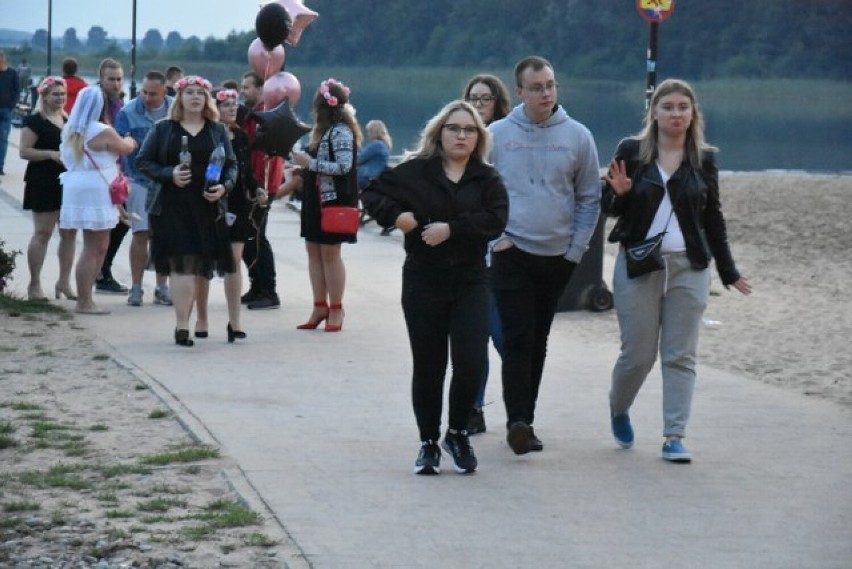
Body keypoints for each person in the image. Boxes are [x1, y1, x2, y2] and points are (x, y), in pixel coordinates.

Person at [602, 79, 752, 463]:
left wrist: (728, 270)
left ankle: (673, 436)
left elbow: (712, 218)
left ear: (693, 113)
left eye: (683, 107)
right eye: (667, 106)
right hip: (639, 263)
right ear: (654, 112)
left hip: (690, 266)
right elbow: (610, 208)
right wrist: (619, 193)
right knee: (638, 354)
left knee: (680, 354)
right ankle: (619, 408)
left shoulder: (704, 158)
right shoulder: (631, 151)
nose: (675, 113)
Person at [362, 100, 508, 475]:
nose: (461, 135)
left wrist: (452, 229)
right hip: (423, 280)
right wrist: (397, 216)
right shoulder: (414, 172)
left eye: (469, 130)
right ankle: (428, 442)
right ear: (438, 134)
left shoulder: (487, 178)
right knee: (429, 365)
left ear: (479, 137)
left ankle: (457, 432)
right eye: (454, 128)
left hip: (470, 281)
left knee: (470, 361)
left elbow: (496, 219)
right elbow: (371, 191)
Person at [488, 56, 601, 455]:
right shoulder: (498, 134)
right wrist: (495, 240)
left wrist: (576, 250)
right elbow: (479, 191)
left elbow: (590, 197)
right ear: (519, 91)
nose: (545, 93)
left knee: (538, 338)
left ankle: (526, 419)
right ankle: (517, 421)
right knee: (518, 336)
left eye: (550, 85)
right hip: (511, 250)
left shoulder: (577, 136)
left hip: (558, 256)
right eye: (536, 87)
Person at [135, 75, 237, 347]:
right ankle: (182, 326)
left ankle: (193, 320)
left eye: (200, 93)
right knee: (182, 265)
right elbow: (143, 161)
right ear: (179, 97)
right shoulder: (163, 128)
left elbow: (232, 165)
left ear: (207, 100)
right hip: (171, 205)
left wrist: (224, 188)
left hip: (206, 205)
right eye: (189, 92)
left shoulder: (216, 130)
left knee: (199, 267)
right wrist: (169, 173)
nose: (195, 97)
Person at [461, 73, 512, 435]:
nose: (479, 105)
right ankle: (474, 407)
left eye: (485, 99)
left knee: (505, 337)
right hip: (469, 253)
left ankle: (519, 408)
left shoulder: (509, 141)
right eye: (473, 99)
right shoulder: (459, 142)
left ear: (498, 103)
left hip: (507, 252)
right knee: (474, 336)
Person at [58, 85, 137, 314]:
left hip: (76, 186)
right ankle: (85, 301)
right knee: (94, 247)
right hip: (96, 188)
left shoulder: (71, 129)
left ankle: (85, 296)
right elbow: (125, 148)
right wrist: (130, 139)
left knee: (96, 245)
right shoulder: (102, 130)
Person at [290, 78, 360, 333]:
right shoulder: (324, 132)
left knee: (330, 255)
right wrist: (304, 165)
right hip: (316, 198)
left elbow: (344, 167)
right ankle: (320, 305)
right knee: (313, 252)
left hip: (333, 200)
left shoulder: (340, 131)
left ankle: (337, 308)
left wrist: (310, 164)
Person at [192, 87, 252, 342]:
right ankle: (202, 317)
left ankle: (234, 321)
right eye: (226, 104)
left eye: (234, 104)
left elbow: (245, 171)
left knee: (233, 262)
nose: (232, 108)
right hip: (210, 200)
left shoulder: (241, 136)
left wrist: (258, 188)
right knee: (204, 262)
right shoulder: (207, 135)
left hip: (237, 202)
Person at [114, 70, 174, 307]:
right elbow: (118, 148)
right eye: (144, 92)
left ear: (164, 92)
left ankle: (162, 287)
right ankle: (136, 287)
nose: (147, 98)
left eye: (153, 94)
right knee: (140, 233)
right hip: (138, 179)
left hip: (168, 180)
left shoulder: (175, 110)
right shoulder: (128, 112)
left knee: (164, 236)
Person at [20, 77, 77, 302]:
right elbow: (24, 151)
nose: (61, 98)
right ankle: (34, 283)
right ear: (44, 96)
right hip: (42, 180)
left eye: (63, 94)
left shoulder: (68, 120)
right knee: (43, 233)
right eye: (56, 94)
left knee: (69, 233)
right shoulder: (34, 121)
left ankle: (64, 281)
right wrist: (51, 154)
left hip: (67, 182)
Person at [238, 71, 284, 310]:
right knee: (248, 237)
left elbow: (265, 151)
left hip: (264, 183)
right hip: (253, 181)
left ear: (260, 89)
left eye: (247, 87)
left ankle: (269, 290)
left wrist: (257, 186)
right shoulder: (249, 114)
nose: (242, 91)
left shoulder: (267, 113)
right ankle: (257, 285)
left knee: (256, 237)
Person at [94, 58, 131, 294]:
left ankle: (102, 269)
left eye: (119, 79)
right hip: (103, 172)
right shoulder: (96, 103)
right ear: (101, 79)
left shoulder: (120, 102)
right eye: (111, 79)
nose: (116, 83)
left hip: (120, 171)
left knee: (120, 223)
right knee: (110, 224)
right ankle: (100, 271)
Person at [357, 119, 392, 231]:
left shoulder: (376, 145)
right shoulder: (384, 145)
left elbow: (358, 160)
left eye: (369, 131)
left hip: (364, 178)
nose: (368, 134)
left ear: (374, 131)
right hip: (374, 179)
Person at [0, 50, 20, 176]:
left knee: (2, 139)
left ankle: (0, 165)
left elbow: (17, 91)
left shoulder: (12, 73)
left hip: (6, 110)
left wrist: (11, 106)